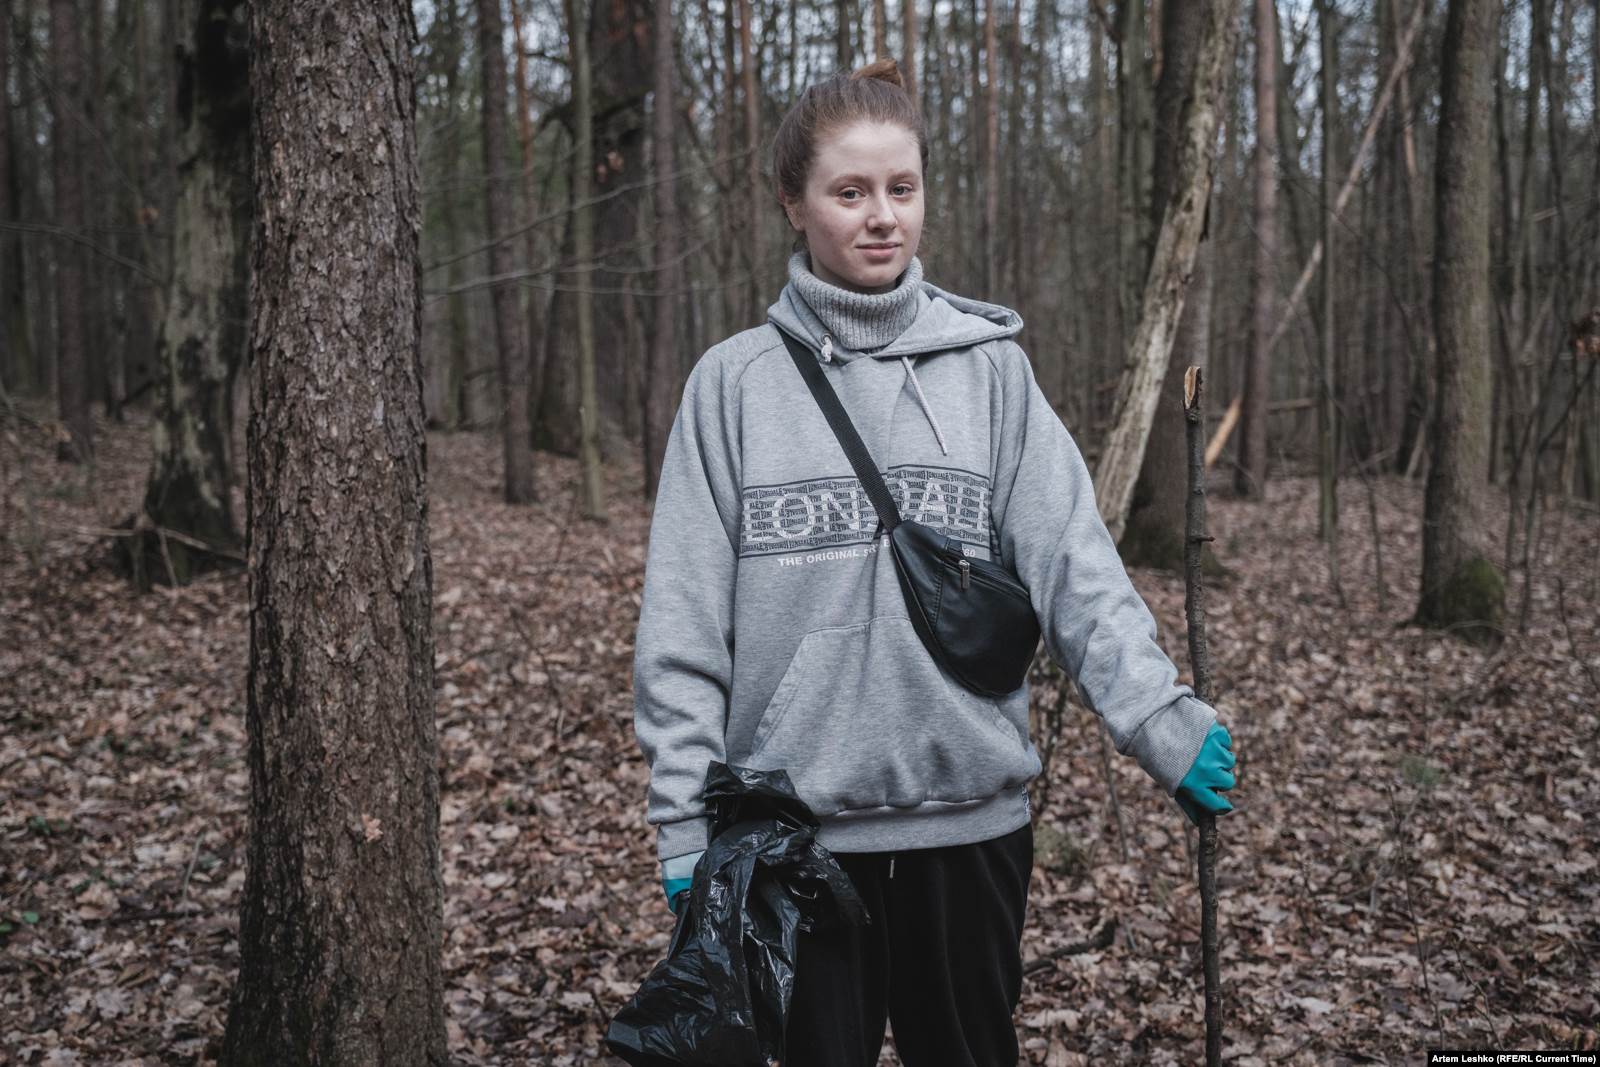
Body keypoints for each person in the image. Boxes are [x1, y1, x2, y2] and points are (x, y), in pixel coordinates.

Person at [631, 57, 1237, 1067]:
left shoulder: (991, 373)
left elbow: (1074, 566)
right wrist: (684, 824)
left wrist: (1159, 720)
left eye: (901, 189)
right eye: (849, 191)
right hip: (792, 843)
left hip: (971, 833)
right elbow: (683, 629)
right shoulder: (731, 388)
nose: (882, 217)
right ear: (793, 203)